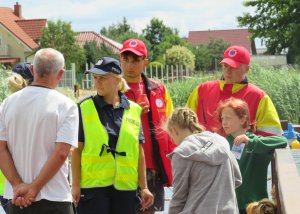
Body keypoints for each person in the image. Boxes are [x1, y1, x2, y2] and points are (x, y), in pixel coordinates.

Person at [0, 48, 79, 213]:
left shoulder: (7, 103)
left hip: (16, 198)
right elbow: (61, 153)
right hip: (54, 198)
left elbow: (1, 148)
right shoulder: (66, 105)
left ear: (32, 69)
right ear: (61, 73)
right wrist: (34, 188)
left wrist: (17, 184)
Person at [71, 57, 153, 214]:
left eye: (103, 78)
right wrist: (75, 185)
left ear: (117, 79)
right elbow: (77, 151)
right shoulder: (84, 107)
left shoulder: (134, 110)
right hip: (92, 190)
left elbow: (139, 153)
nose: (97, 82)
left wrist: (144, 187)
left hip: (126, 191)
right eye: (95, 78)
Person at [120, 38, 176, 213]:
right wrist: (134, 114)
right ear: (120, 60)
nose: (130, 65)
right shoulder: (111, 87)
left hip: (153, 165)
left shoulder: (158, 89)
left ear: (145, 62)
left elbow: (172, 126)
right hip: (122, 165)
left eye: (136, 60)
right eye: (126, 59)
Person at [186, 45, 282, 137]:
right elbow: (183, 124)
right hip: (201, 153)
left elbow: (273, 135)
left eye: (234, 67)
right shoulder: (202, 90)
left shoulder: (259, 97)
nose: (228, 71)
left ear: (247, 69)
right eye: (225, 66)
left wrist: (250, 143)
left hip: (242, 153)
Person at [216, 97, 287, 213]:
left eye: (228, 118)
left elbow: (283, 141)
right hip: (228, 206)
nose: (224, 122)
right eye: (222, 118)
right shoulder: (221, 143)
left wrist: (250, 142)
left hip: (255, 207)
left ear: (243, 120)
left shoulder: (256, 142)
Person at [165, 107, 242, 214]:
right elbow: (237, 179)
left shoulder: (181, 153)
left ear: (174, 130)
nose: (173, 141)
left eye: (171, 136)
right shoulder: (221, 141)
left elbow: (179, 198)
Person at [0, 63, 34, 213]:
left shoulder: (5, 107)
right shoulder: (44, 108)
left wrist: (16, 184)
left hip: (9, 185)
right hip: (38, 185)